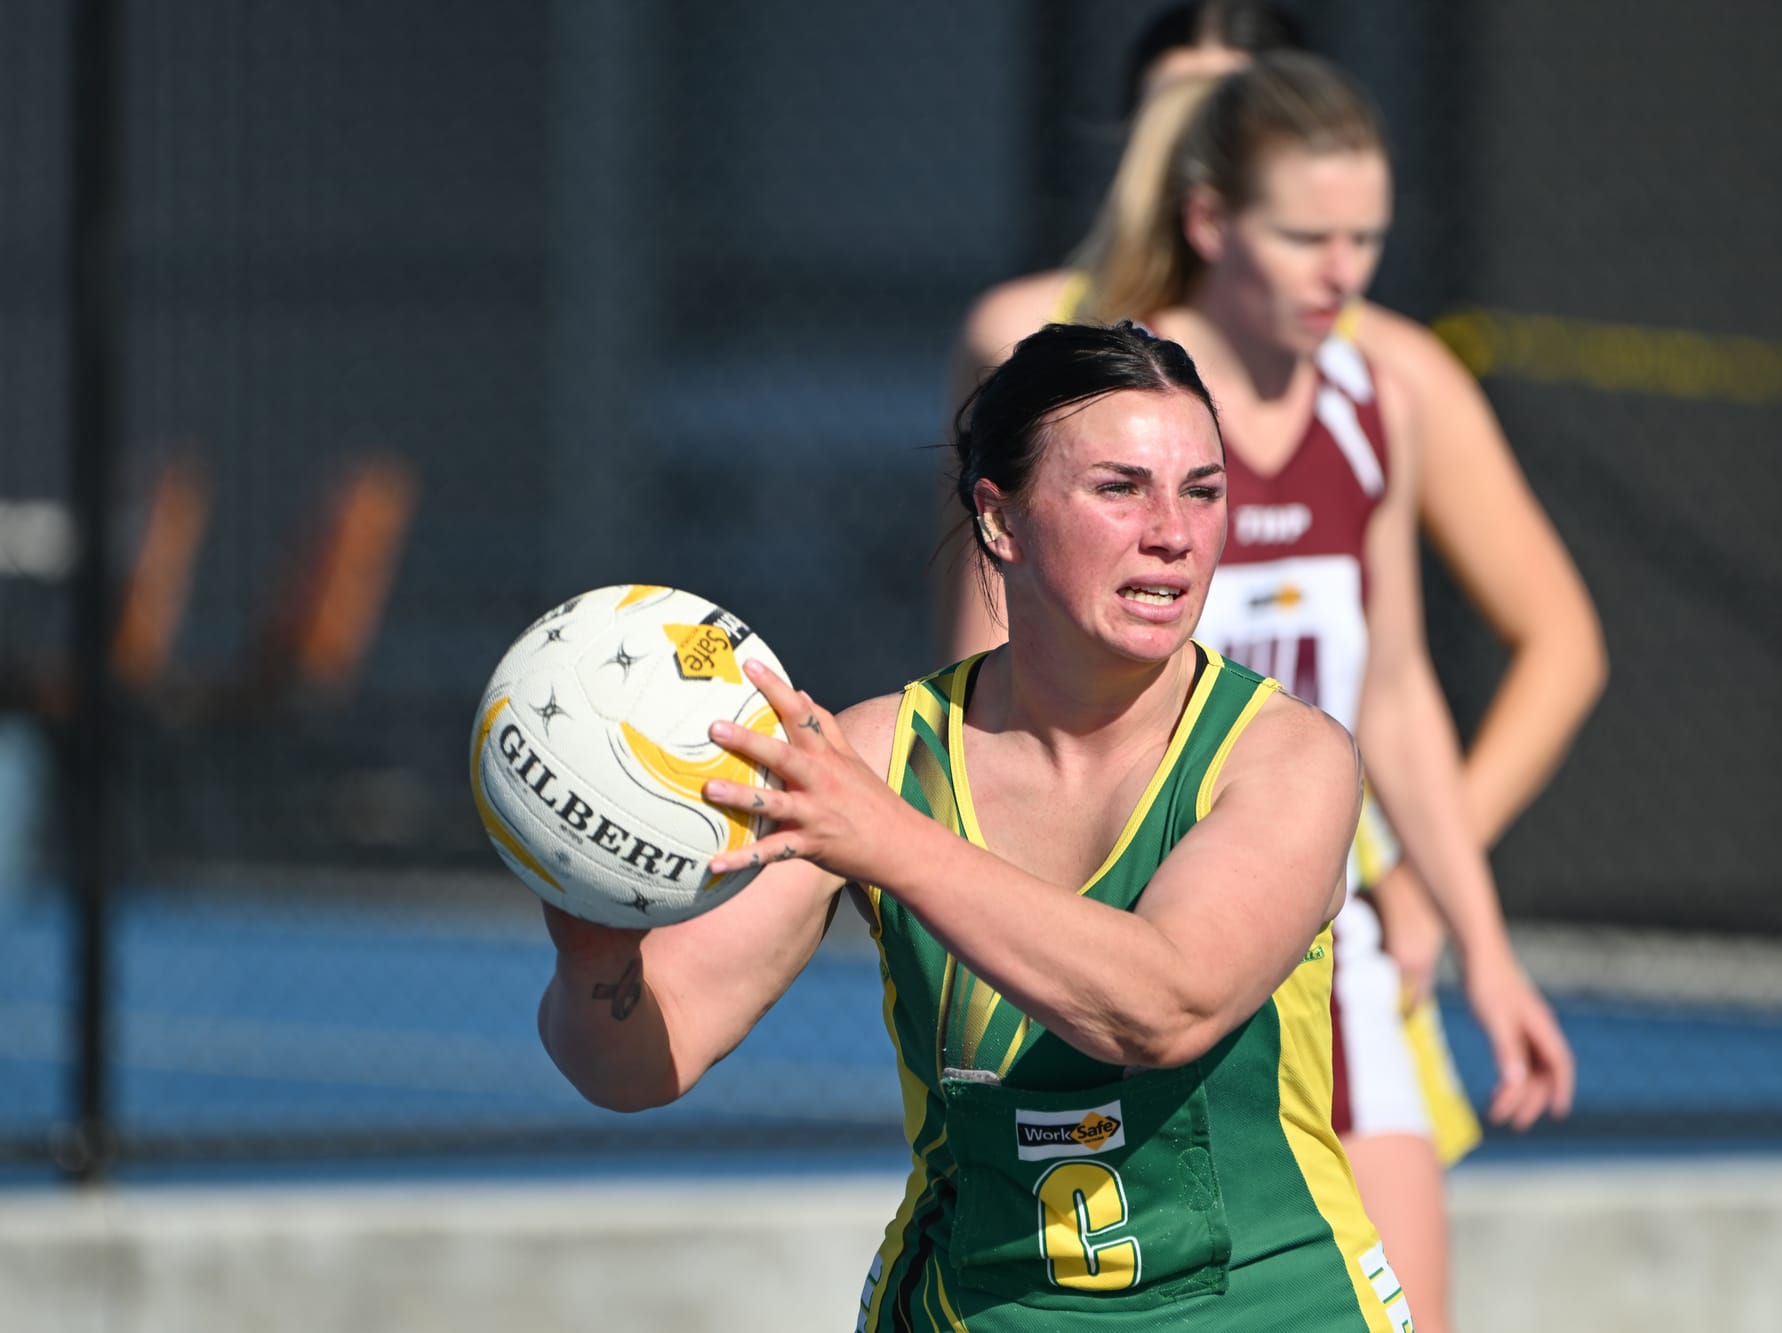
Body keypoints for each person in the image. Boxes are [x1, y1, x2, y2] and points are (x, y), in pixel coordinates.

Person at [541, 321, 1425, 1330]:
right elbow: (641, 1061)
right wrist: (593, 955)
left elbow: (1168, 1005)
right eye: (1120, 488)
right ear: (999, 520)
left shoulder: (1285, 755)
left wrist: (891, 843)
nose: (1173, 532)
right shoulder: (879, 757)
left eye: (1202, 490)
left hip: (1274, 1311)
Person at [942, 49, 1588, 1332]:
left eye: (1365, 238)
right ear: (1208, 223)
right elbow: (993, 683)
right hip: (1134, 924)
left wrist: (1478, 937)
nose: (1341, 270)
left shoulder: (1373, 399)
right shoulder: (1125, 409)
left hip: (1320, 941)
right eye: (1306, 237)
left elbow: (1390, 693)